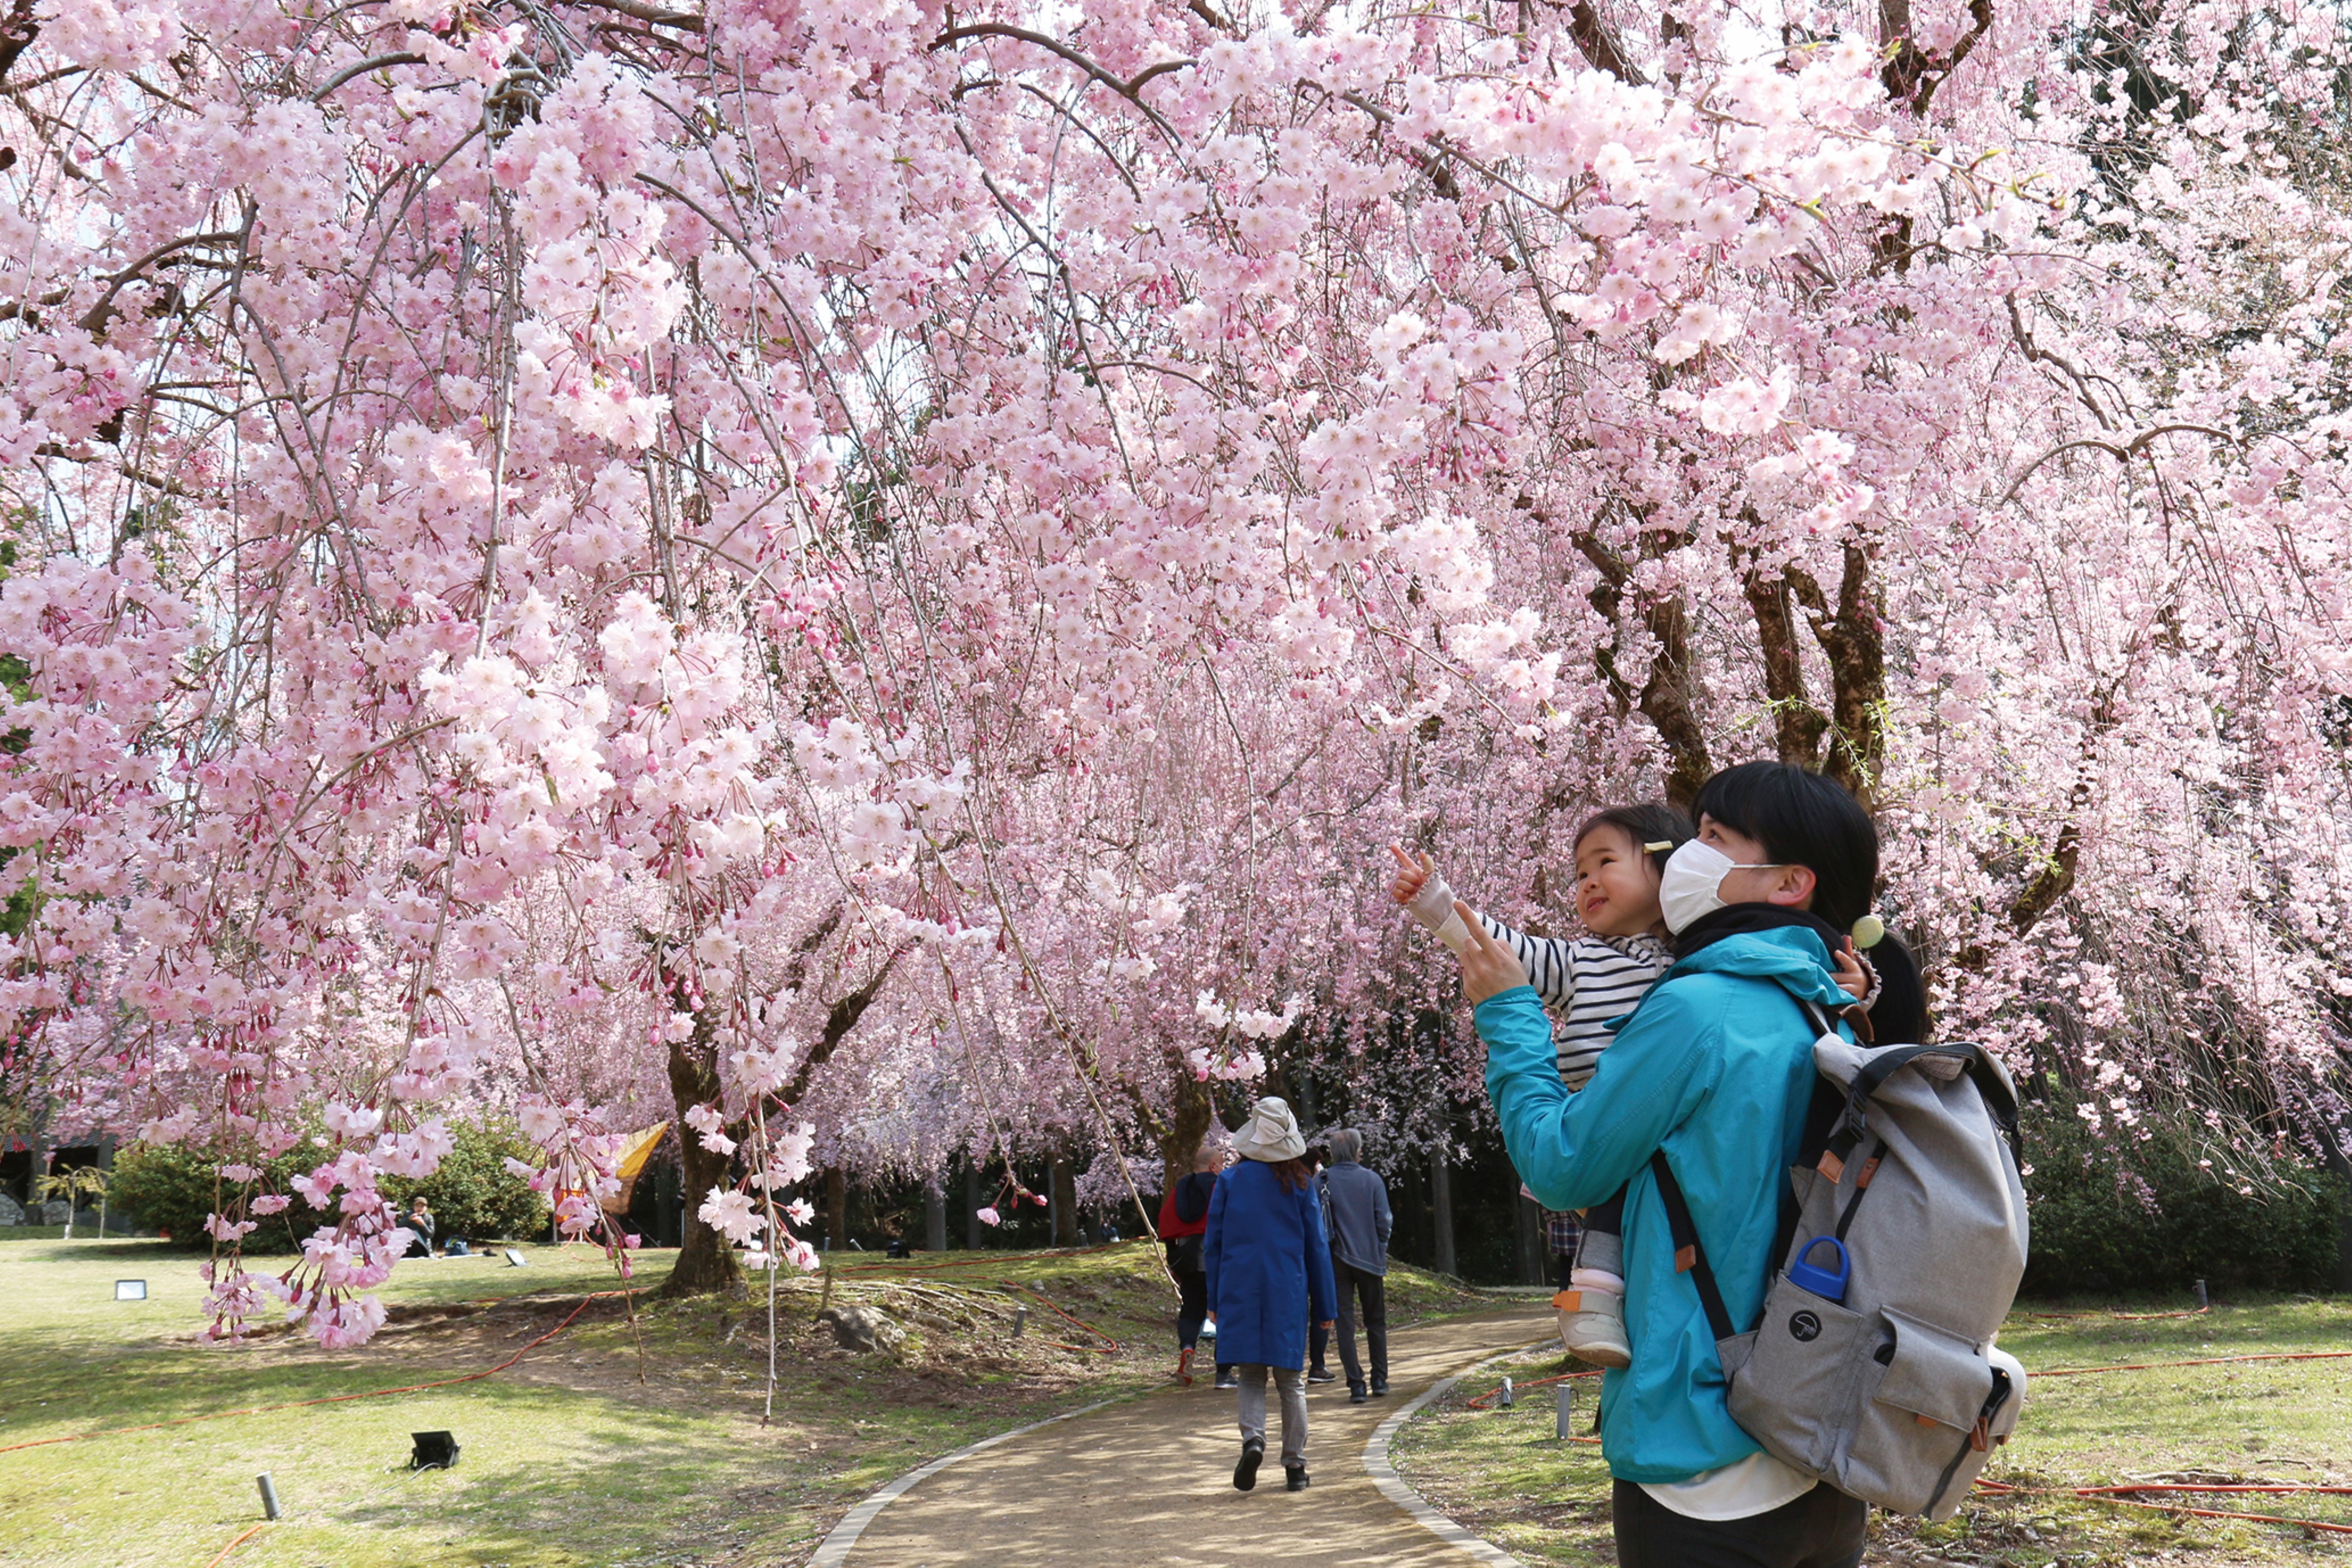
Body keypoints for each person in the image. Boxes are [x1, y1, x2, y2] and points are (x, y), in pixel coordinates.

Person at [1466, 760, 1927, 1567]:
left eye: (1713, 838)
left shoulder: (1698, 1008)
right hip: (1819, 1444)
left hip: (1703, 1461)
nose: (1687, 856)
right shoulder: (1836, 1017)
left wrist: (1509, 1017)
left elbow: (1565, 1164)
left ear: (1788, 882)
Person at [1392, 805, 1872, 1367]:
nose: (1589, 881)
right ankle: (1592, 1298)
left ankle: (1605, 1297)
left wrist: (1862, 983)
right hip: (1607, 1106)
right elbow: (1501, 948)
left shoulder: (1702, 962)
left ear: (1669, 867)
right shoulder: (1578, 963)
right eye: (1579, 874)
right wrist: (1435, 903)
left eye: (1605, 862)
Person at [1204, 1096, 1336, 1495]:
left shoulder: (1228, 1181)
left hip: (1240, 1286)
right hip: (1287, 1289)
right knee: (1291, 1381)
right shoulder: (1300, 1183)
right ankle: (1295, 1466)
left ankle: (1253, 1440)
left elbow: (1214, 1243)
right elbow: (1317, 1246)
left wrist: (1213, 1298)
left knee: (1250, 1376)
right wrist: (1326, 1306)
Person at [1317, 1127, 1393, 1403]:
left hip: (1335, 1261)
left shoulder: (1321, 1180)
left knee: (1345, 1324)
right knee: (1376, 1321)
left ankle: (1356, 1385)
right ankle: (1380, 1378)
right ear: (1358, 1151)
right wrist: (1380, 1249)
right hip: (1370, 1259)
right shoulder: (1372, 1180)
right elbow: (1384, 1221)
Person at [1158, 1142, 1221, 1386]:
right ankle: (1223, 1369)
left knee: (1191, 1310)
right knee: (1224, 1308)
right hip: (1218, 1254)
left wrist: (1173, 1258)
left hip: (1188, 1254)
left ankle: (1187, 1347)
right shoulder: (1221, 1185)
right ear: (1214, 1165)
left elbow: (1166, 1221)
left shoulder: (1180, 1189)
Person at [401, 1195, 436, 1260]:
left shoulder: (429, 1218)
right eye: (417, 1206)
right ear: (414, 1207)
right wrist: (409, 1220)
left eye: (422, 1206)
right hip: (409, 1247)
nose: (419, 1208)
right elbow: (399, 1227)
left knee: (414, 1233)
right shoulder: (408, 1214)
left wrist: (423, 1224)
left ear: (426, 1208)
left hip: (424, 1248)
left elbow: (430, 1234)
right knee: (412, 1233)